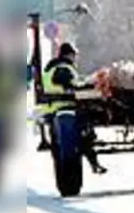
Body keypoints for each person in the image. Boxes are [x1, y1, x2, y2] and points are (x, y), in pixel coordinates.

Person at [39, 42, 105, 174]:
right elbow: (67, 85)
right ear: (69, 55)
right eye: (74, 55)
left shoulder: (50, 68)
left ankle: (90, 163)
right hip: (65, 108)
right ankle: (93, 161)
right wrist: (86, 87)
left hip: (51, 110)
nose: (75, 59)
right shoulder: (63, 68)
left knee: (60, 147)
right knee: (84, 132)